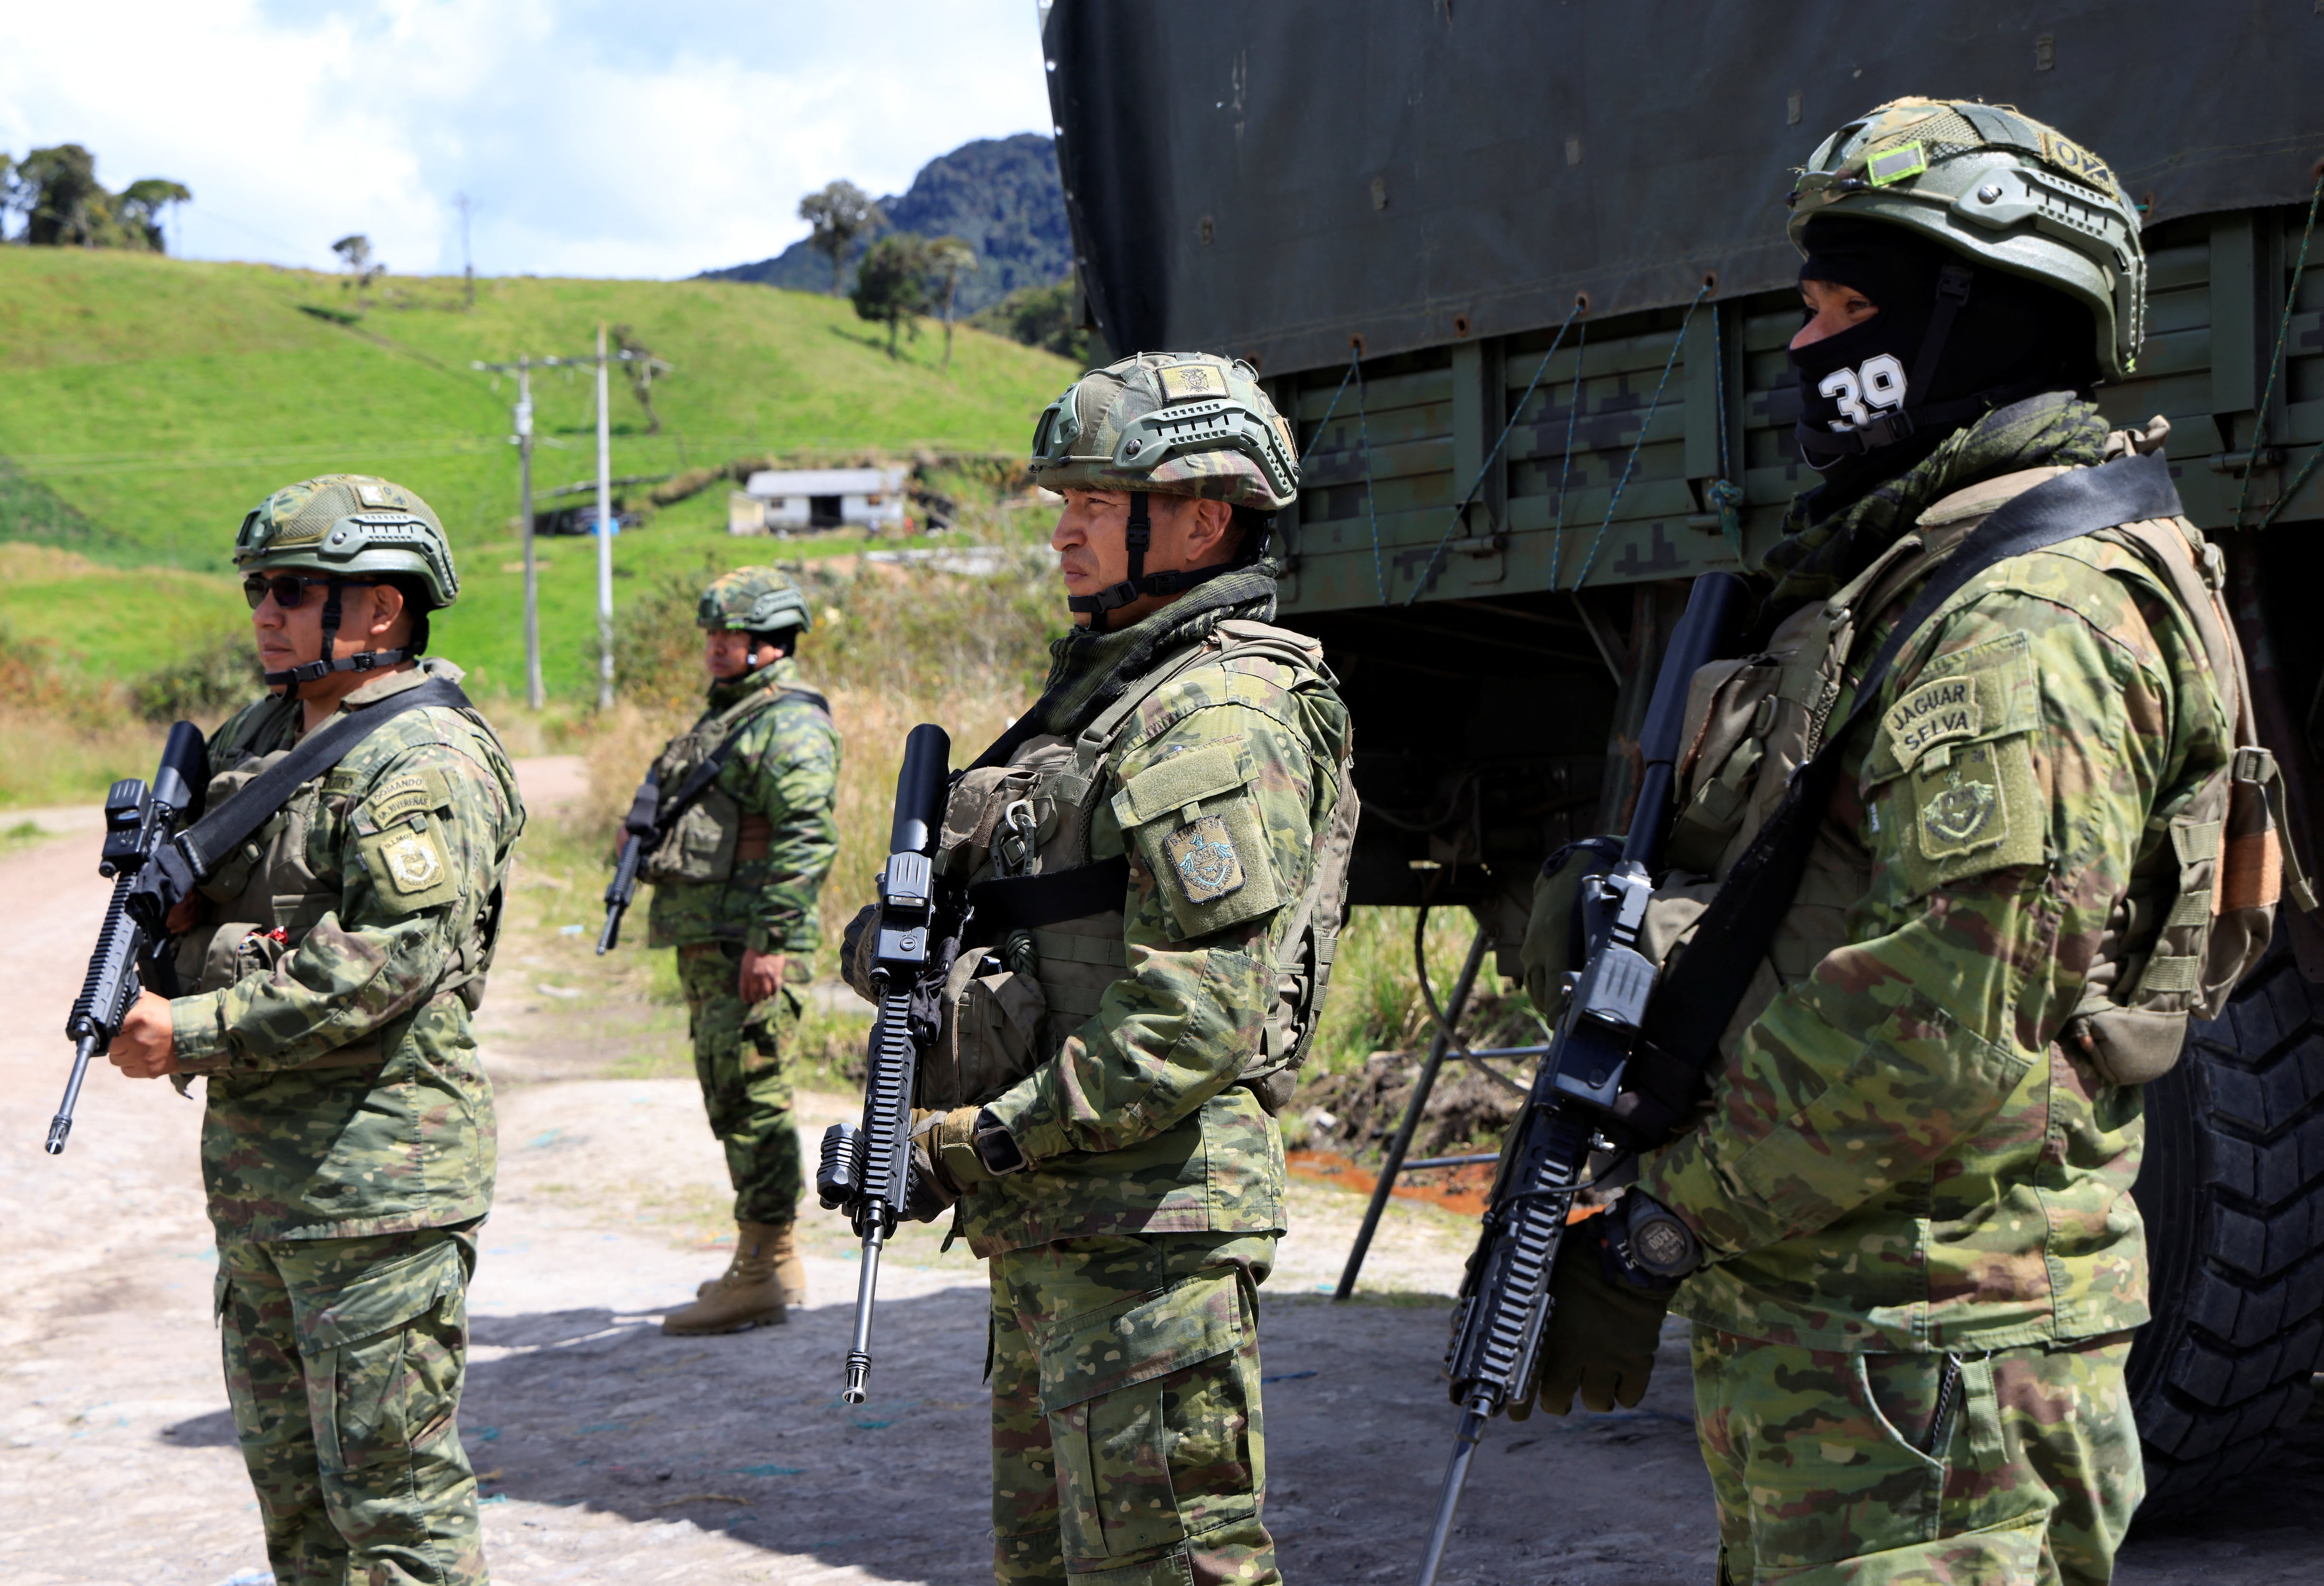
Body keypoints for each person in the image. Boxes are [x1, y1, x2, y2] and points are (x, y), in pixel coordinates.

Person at [1524, 99, 2285, 1583]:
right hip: (1863, 1343)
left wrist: (1663, 1231)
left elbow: (1941, 1026)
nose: (1807, 348)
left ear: (1981, 318)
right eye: (1807, 306)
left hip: (1938, 1366)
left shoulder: (2030, 621)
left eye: (1848, 308)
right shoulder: (1920, 580)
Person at [843, 352, 1356, 1586]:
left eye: (1092, 501)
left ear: (1200, 517)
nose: (1063, 531)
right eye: (1061, 501)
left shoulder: (1218, 717)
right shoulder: (1107, 698)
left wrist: (965, 1146)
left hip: (1147, 1230)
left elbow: (1192, 1023)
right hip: (1066, 1222)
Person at [105, 474, 525, 1586]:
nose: (264, 612)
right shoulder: (266, 726)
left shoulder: (422, 761)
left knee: (392, 1502)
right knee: (294, 1499)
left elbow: (390, 960)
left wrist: (189, 1028)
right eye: (257, 588)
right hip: (264, 1183)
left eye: (292, 590)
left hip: (377, 1188)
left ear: (381, 608)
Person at [642, 568, 840, 1336]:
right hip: (714, 943)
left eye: (733, 635)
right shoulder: (733, 716)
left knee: (754, 1097)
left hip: (748, 946)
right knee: (730, 1094)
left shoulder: (785, 723)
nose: (717, 647)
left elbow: (806, 840)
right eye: (713, 634)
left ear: (771, 641)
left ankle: (765, 1263)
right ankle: (768, 1256)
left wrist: (773, 943)